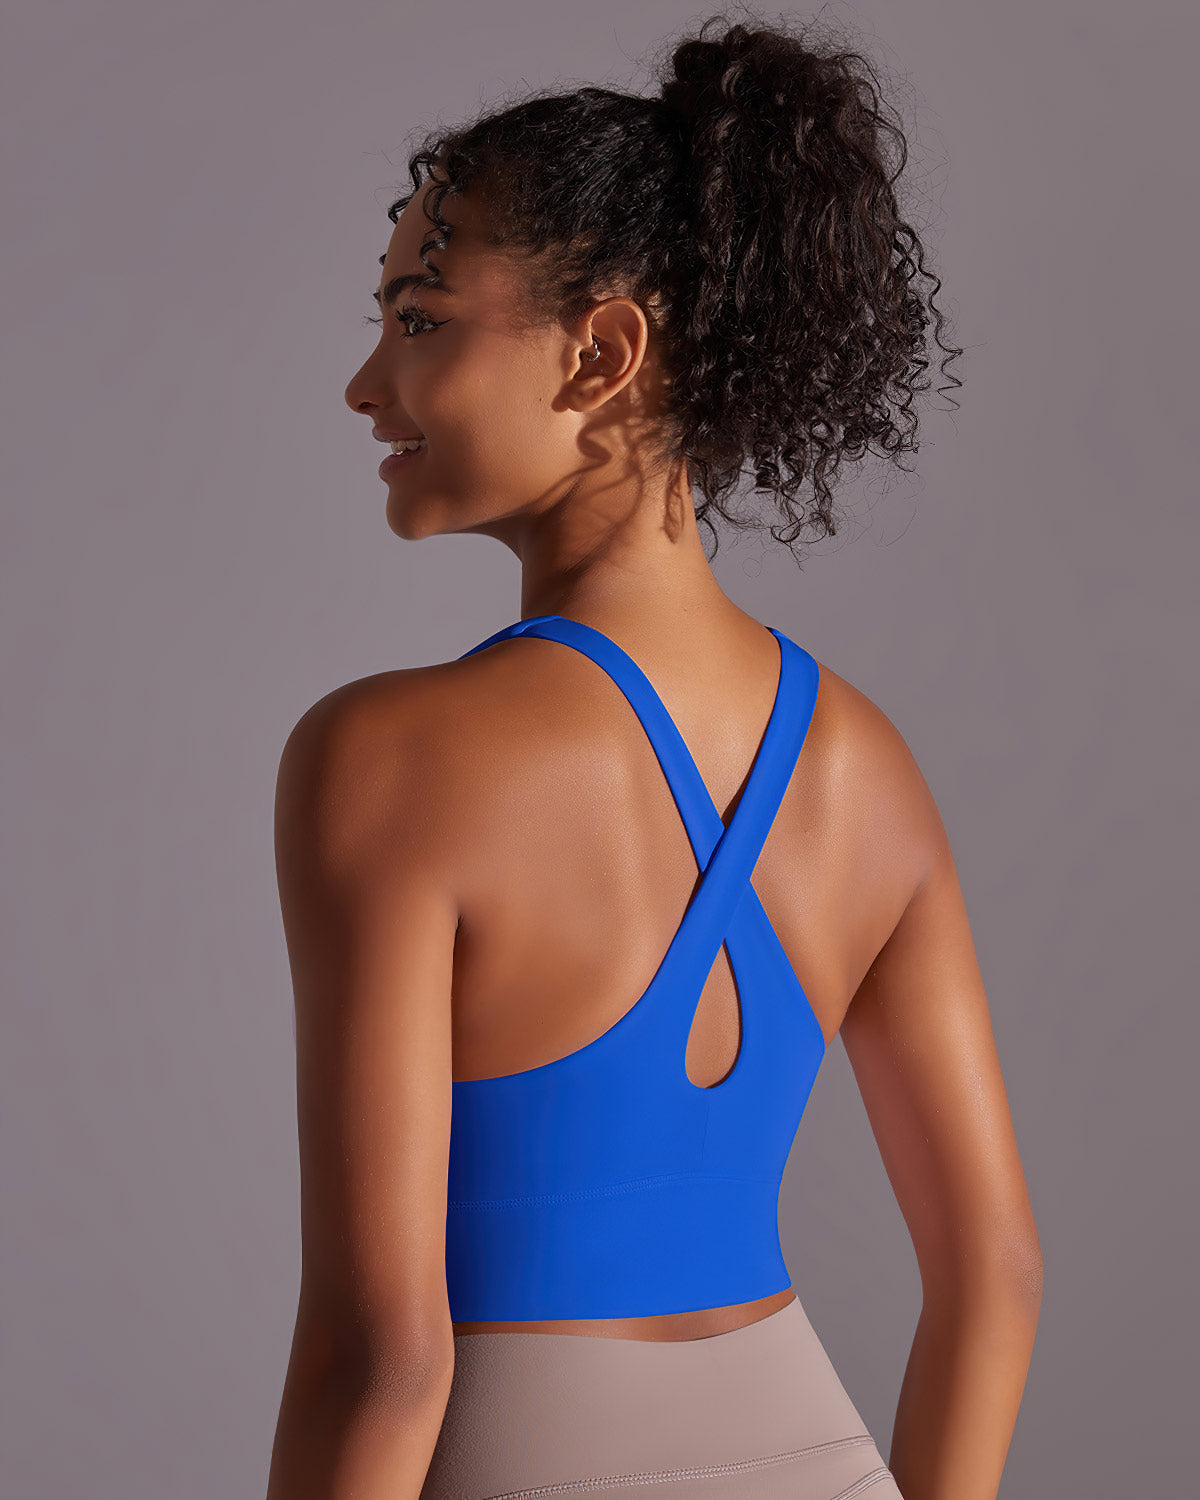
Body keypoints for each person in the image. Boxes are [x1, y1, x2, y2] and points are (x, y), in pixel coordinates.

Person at [266, 11, 1043, 1499]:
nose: (366, 385)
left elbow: (385, 1353)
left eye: (418, 320)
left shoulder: (388, 757)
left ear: (602, 353)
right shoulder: (867, 766)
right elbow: (997, 1270)